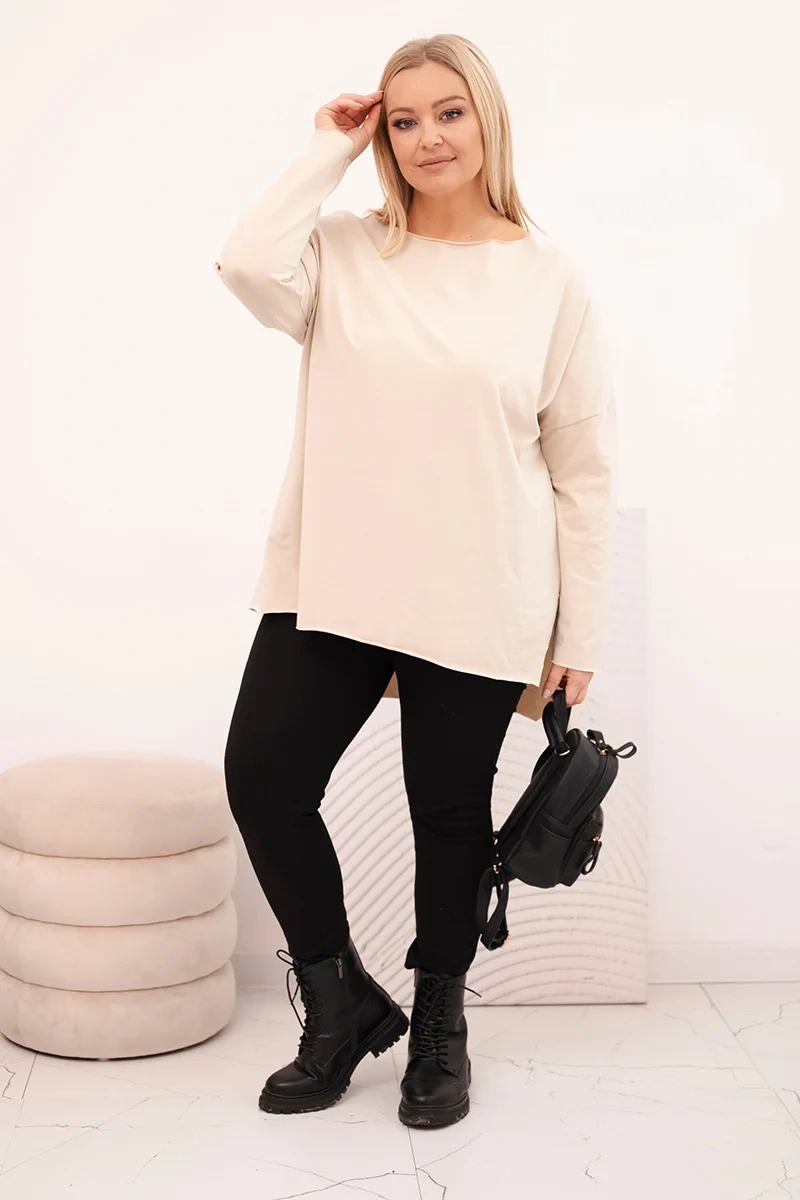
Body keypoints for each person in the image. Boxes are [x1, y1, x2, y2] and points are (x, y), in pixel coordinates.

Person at [216, 33, 617, 1130]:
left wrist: (578, 631)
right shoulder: (345, 251)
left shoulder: (547, 279)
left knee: (446, 813)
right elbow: (246, 263)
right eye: (401, 120)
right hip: (337, 577)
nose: (427, 137)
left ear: (487, 118)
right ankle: (338, 1002)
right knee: (263, 778)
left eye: (448, 112)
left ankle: (441, 1018)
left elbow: (581, 470)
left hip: (480, 586)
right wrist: (326, 150)